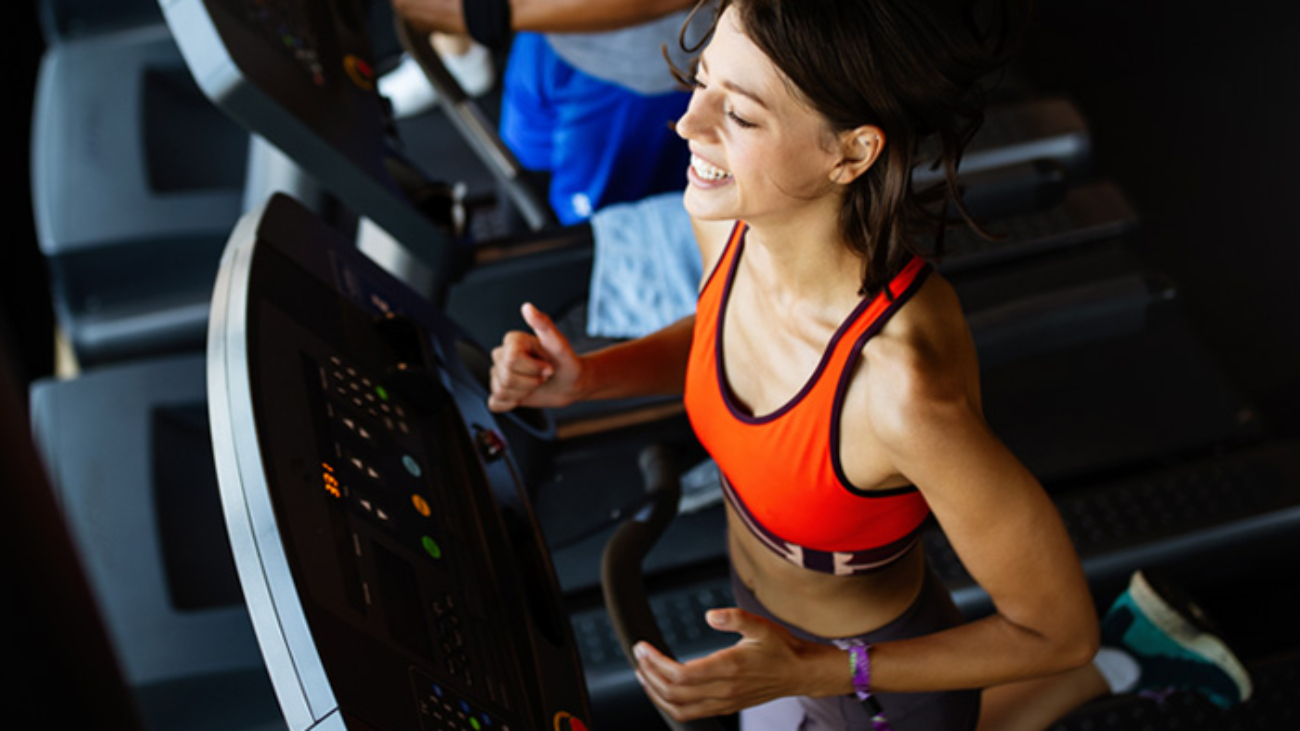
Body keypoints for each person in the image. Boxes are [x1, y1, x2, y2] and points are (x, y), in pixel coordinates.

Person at [486, 1, 1252, 729]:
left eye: (741, 114)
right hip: (769, 628)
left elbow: (1054, 631)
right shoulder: (728, 219)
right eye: (702, 83)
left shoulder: (900, 394)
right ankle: (1131, 656)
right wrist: (589, 379)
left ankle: (1119, 661)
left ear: (850, 151)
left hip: (861, 683)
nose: (687, 123)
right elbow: (724, 336)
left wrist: (817, 670)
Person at [392, 0, 713, 225]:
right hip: (549, 33)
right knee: (522, 171)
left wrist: (488, 11)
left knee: (592, 231)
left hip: (639, 64)